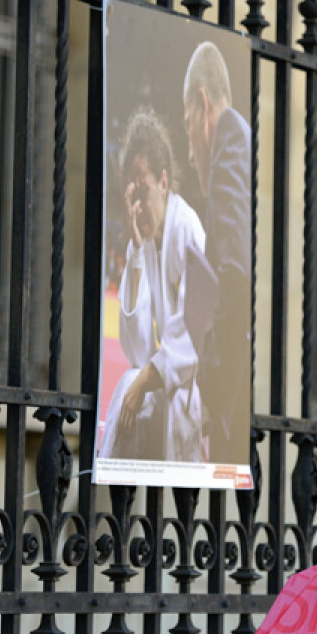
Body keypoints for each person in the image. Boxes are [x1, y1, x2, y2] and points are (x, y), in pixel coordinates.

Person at [99, 109, 207, 463]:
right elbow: (137, 352)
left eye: (143, 191)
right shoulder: (142, 245)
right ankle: (116, 504)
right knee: (126, 384)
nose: (138, 207)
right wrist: (135, 257)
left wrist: (145, 381)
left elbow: (195, 333)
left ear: (163, 182)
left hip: (201, 389)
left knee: (153, 390)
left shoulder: (186, 229)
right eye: (131, 197)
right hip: (169, 379)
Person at [180, 41, 251, 464]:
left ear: (203, 104)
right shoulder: (239, 137)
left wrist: (212, 393)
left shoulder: (228, 136)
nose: (190, 153)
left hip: (229, 398)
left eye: (188, 123)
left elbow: (234, 271)